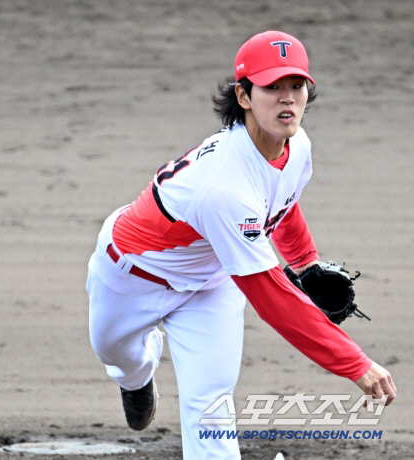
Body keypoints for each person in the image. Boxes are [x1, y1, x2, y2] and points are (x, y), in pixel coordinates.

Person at [86, 30, 397, 459]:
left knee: (210, 406)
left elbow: (281, 203)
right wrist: (354, 362)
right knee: (114, 352)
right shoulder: (224, 186)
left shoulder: (297, 147)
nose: (287, 98)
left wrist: (305, 264)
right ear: (244, 96)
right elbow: (271, 298)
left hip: (212, 284)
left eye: (296, 85)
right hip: (132, 275)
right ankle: (135, 379)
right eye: (272, 87)